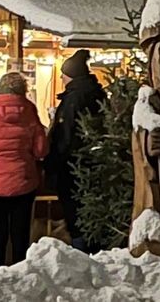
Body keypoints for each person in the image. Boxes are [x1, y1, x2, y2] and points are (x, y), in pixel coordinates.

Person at [0, 72, 49, 270]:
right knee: (20, 233)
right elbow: (41, 149)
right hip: (23, 180)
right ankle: (20, 273)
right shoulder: (29, 110)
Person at [47, 49, 107, 252]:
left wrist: (55, 162)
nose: (61, 79)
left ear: (70, 75)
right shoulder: (95, 94)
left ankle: (81, 253)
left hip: (74, 166)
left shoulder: (74, 99)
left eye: (63, 75)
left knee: (75, 212)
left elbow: (67, 134)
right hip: (92, 163)